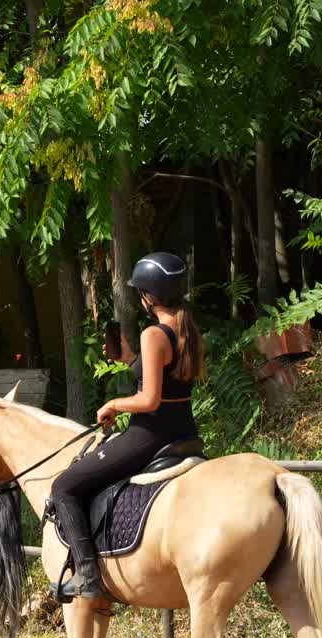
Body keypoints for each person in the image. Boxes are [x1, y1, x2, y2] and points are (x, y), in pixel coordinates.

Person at [48, 251, 205, 599]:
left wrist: (114, 403)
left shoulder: (154, 334)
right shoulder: (187, 330)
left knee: (64, 486)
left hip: (148, 434)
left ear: (149, 295)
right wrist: (130, 360)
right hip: (184, 433)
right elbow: (169, 380)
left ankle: (87, 576)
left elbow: (149, 400)